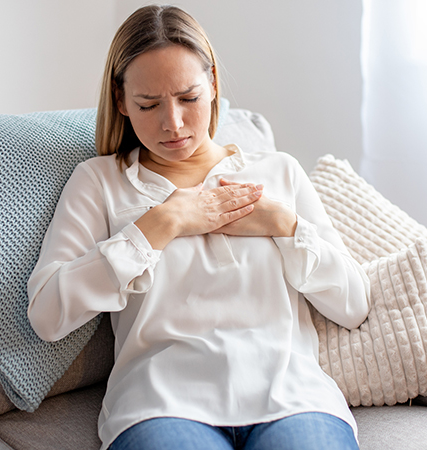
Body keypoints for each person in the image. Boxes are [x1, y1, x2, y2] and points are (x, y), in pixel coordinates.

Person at [27, 5, 370, 450]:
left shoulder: (278, 172)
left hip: (293, 398)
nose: (173, 123)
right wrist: (160, 224)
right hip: (162, 404)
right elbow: (48, 315)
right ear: (120, 102)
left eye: (188, 98)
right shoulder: (100, 181)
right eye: (148, 104)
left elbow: (353, 305)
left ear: (211, 85)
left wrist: (284, 224)